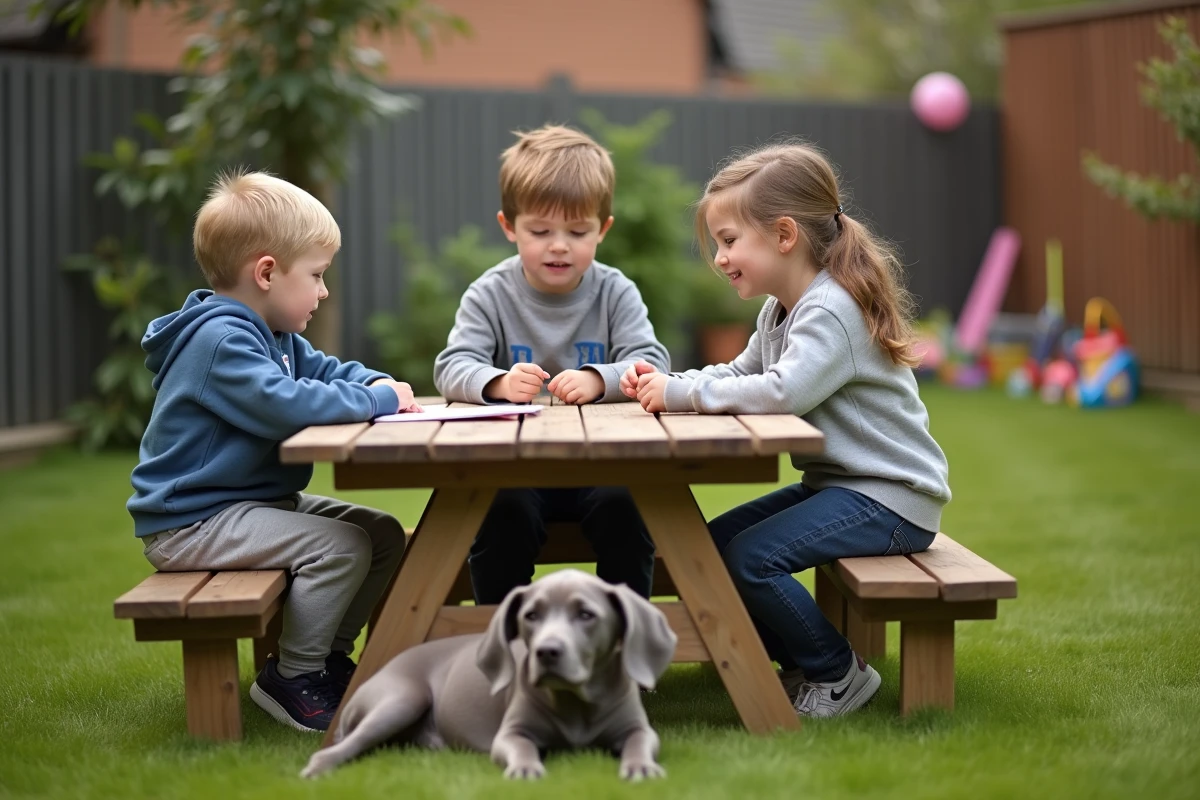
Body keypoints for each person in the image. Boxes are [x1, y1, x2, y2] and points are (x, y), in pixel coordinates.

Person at [623, 143, 951, 717]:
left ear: (783, 235)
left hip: (891, 497)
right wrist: (672, 381)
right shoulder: (781, 307)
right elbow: (743, 373)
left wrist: (681, 394)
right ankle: (799, 660)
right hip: (843, 486)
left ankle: (837, 671)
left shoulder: (829, 309)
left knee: (751, 559)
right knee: (714, 545)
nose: (720, 258)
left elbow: (782, 392)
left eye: (728, 241)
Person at [127, 171, 421, 732]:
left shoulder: (273, 333)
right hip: (193, 520)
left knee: (381, 535)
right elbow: (284, 404)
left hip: (249, 506)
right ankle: (295, 677)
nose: (324, 290)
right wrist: (373, 400)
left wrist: (379, 385)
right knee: (338, 548)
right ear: (266, 272)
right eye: (316, 275)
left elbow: (330, 373)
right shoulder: (221, 342)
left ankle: (327, 658)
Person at [433, 124, 670, 604]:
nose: (558, 245)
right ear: (508, 227)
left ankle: (622, 650)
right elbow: (452, 364)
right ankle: (505, 647)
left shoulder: (614, 291)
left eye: (577, 231)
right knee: (500, 511)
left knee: (628, 506)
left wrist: (599, 378)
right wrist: (496, 382)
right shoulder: (490, 293)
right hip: (515, 468)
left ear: (602, 230)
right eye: (540, 231)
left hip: (602, 464)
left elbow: (652, 361)